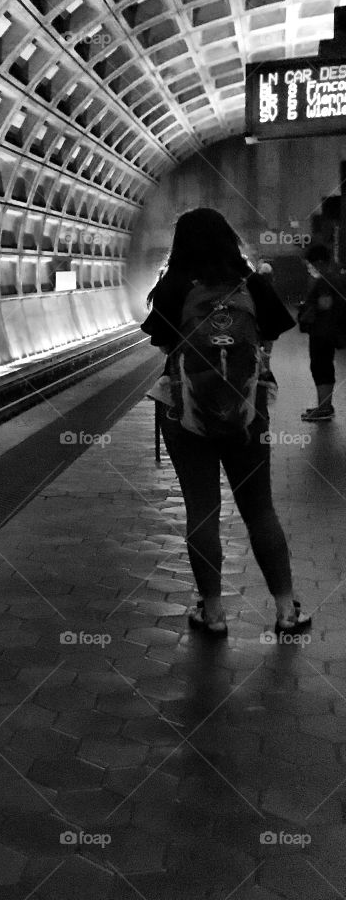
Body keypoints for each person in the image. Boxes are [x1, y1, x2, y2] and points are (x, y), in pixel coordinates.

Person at [141, 208, 310, 638]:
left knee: (202, 509)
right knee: (260, 509)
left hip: (187, 414)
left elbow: (161, 339)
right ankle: (286, 610)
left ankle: (213, 613)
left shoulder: (174, 286)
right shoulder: (252, 283)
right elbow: (273, 330)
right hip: (247, 413)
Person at [297, 243, 346, 421]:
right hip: (329, 330)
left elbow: (325, 304)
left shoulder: (325, 280)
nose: (310, 269)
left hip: (322, 331)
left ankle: (324, 408)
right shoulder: (334, 278)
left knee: (321, 367)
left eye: (310, 265)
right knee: (324, 366)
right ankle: (325, 405)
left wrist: (308, 308)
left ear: (318, 262)